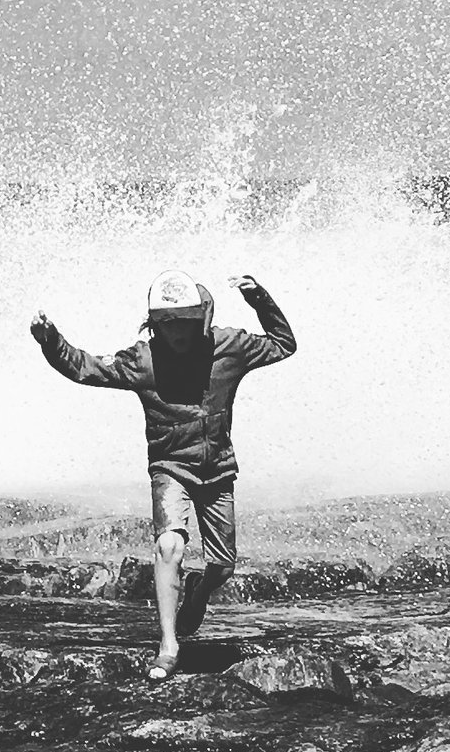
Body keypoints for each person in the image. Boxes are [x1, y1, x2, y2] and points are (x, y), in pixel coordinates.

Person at [29, 270, 297, 680]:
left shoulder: (230, 347)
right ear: (155, 325)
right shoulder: (142, 361)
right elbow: (85, 368)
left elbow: (284, 344)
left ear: (200, 319)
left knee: (222, 567)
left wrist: (259, 298)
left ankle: (199, 591)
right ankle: (168, 646)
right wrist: (50, 339)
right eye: (167, 325)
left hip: (219, 470)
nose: (177, 334)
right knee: (169, 546)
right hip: (171, 469)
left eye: (184, 324)